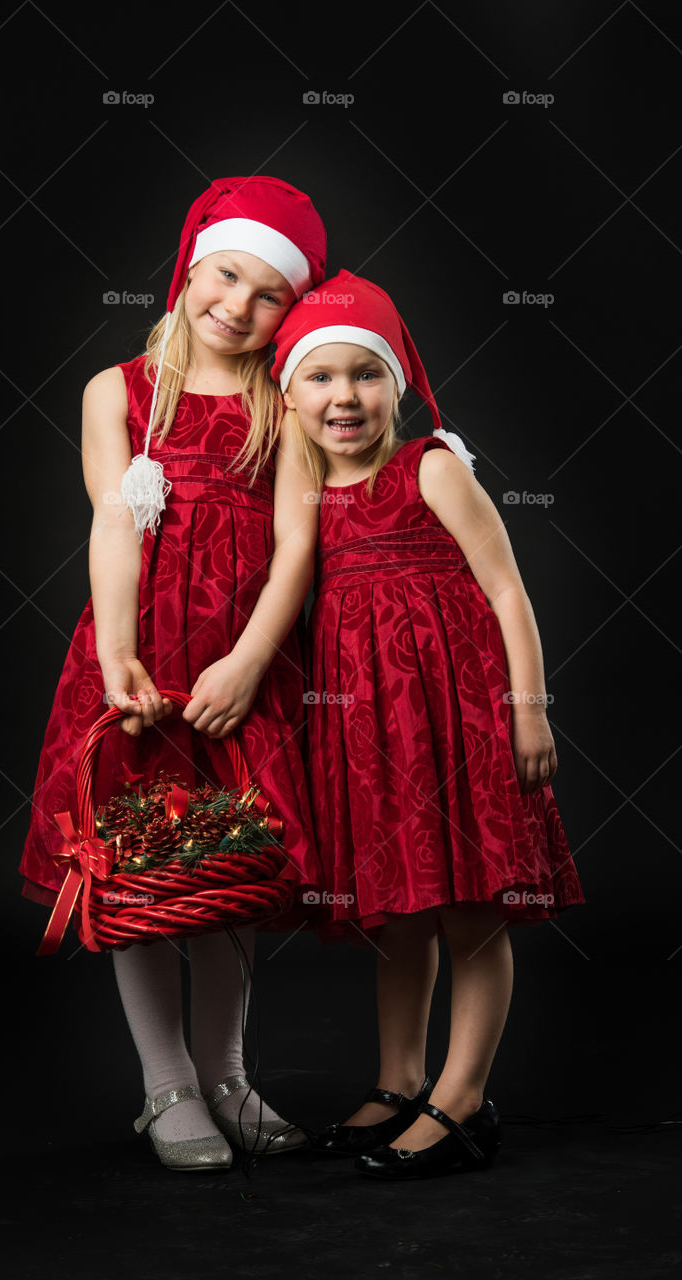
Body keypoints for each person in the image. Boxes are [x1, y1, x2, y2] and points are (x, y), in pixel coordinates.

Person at [19, 177, 327, 1171]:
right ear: (191, 267)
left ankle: (227, 1071)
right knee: (147, 865)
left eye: (266, 293)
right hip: (141, 658)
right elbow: (115, 521)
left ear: (291, 308)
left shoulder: (282, 401)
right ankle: (166, 1084)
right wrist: (118, 654)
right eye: (224, 277)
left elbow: (295, 550)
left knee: (228, 872)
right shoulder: (118, 391)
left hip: (241, 664)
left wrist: (246, 659)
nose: (236, 306)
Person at [271, 269, 585, 1180]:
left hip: (460, 719)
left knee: (472, 910)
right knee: (398, 914)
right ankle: (398, 1080)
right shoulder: (303, 499)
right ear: (289, 394)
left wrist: (528, 712)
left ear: (396, 387)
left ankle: (461, 1099)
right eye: (319, 377)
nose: (343, 397)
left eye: (364, 375)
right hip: (371, 735)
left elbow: (507, 591)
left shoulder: (430, 469)